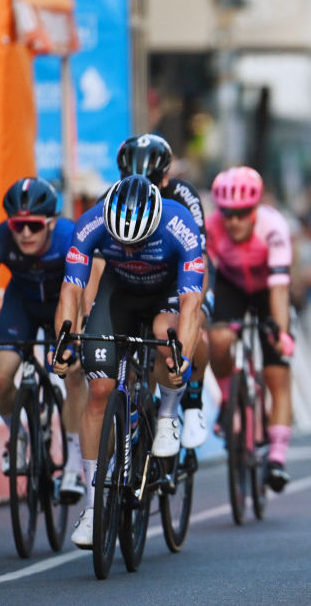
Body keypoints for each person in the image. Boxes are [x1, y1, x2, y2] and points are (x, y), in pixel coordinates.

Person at [52, 175, 205, 548]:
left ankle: (167, 414)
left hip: (167, 294)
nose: (132, 249)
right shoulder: (92, 222)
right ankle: (93, 507)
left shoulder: (179, 224)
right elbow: (71, 290)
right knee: (99, 391)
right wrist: (64, 345)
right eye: (123, 243)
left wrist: (182, 359)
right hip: (118, 295)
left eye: (139, 242)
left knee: (167, 340)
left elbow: (191, 304)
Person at [0, 178, 87, 499]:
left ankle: (73, 464)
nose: (25, 233)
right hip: (22, 304)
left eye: (34, 225)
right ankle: (19, 432)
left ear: (51, 222)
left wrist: (74, 340)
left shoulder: (70, 237)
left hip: (63, 302)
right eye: (18, 225)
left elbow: (81, 295)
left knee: (73, 372)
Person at [113, 134, 211, 449]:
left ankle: (192, 403)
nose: (141, 186)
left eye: (152, 180)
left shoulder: (183, 196)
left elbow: (199, 258)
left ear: (166, 178)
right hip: (134, 280)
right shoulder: (115, 199)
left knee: (191, 327)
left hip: (179, 274)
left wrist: (194, 308)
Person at [206, 166, 296, 493]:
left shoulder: (274, 227)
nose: (234, 221)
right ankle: (227, 401)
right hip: (231, 286)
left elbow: (280, 289)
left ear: (254, 209)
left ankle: (277, 458)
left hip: (268, 290)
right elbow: (203, 277)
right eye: (227, 213)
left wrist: (281, 333)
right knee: (218, 340)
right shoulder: (212, 227)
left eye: (242, 213)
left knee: (276, 374)